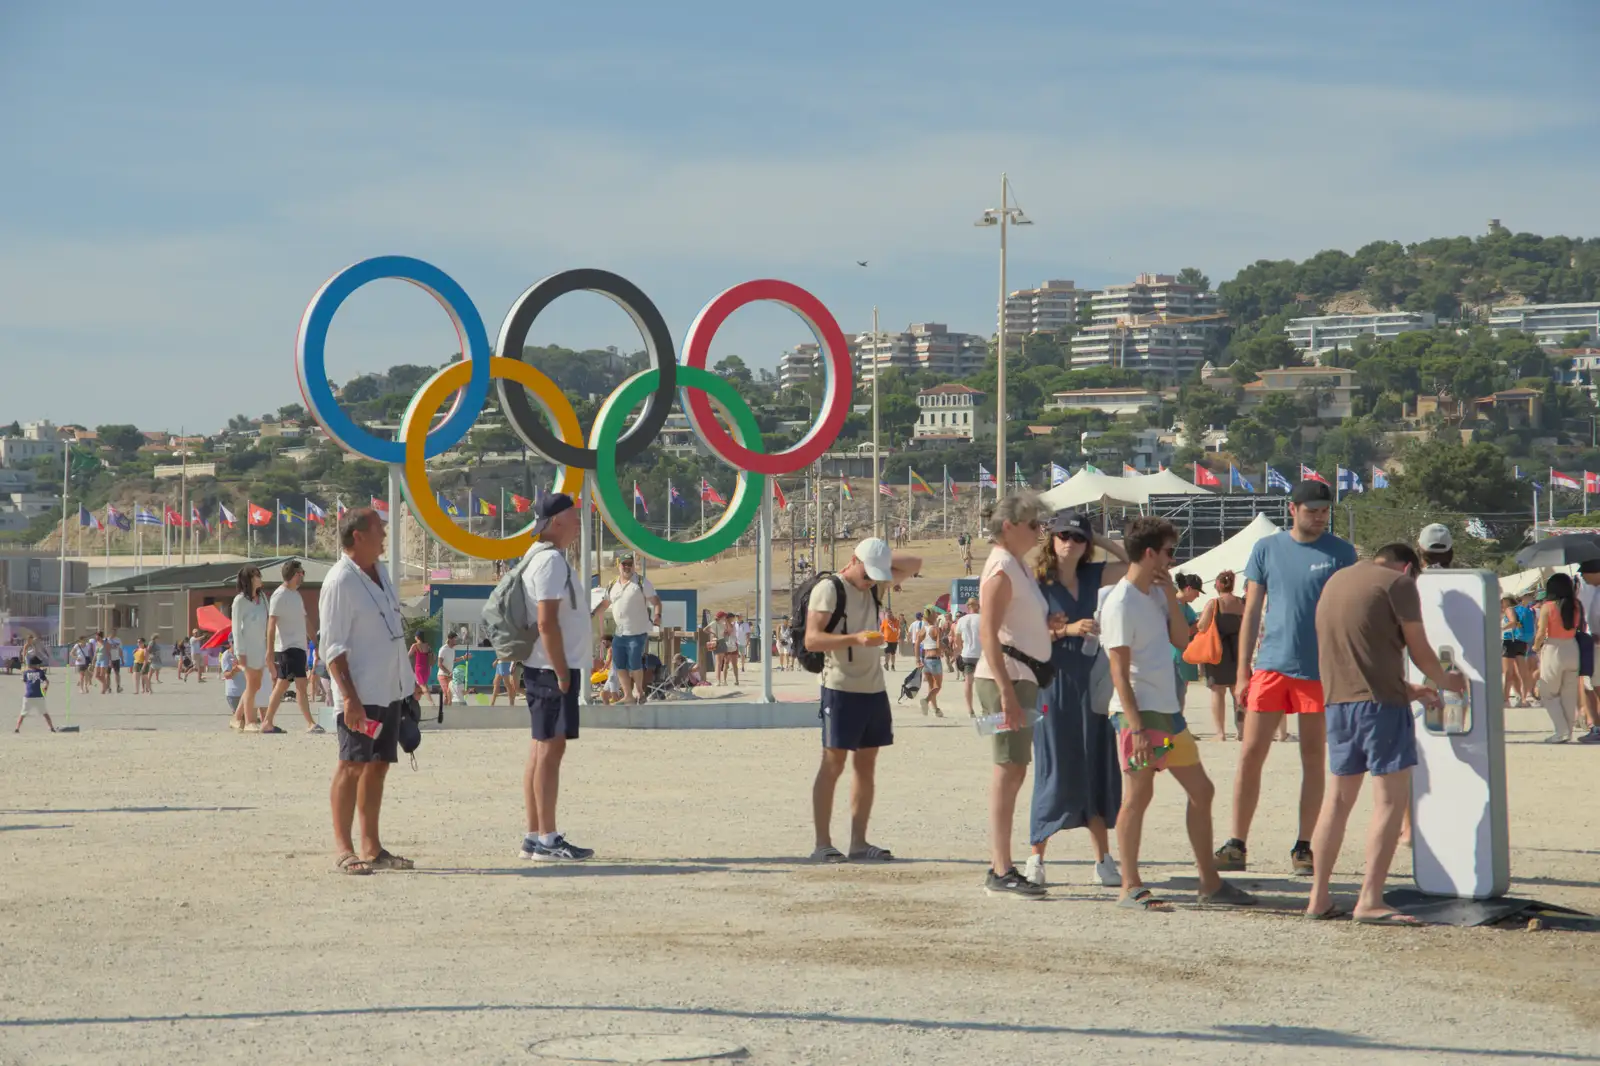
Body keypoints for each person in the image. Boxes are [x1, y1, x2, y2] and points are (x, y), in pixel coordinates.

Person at [1104, 516, 1257, 911]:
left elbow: (1179, 640)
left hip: (1168, 712)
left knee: (1201, 791)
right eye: (1170, 552)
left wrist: (1170, 596)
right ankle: (1130, 886)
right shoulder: (1119, 602)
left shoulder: (1155, 594)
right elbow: (1118, 671)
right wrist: (1135, 725)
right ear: (1151, 553)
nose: (1174, 560)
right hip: (1139, 713)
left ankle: (1209, 881)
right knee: (1138, 795)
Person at [1307, 543, 1465, 923]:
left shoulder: (1336, 582)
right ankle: (1370, 899)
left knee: (1337, 802)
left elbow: (1357, 653)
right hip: (1381, 708)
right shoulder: (1398, 584)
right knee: (1389, 802)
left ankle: (1318, 897)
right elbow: (1421, 649)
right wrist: (1447, 680)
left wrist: (1407, 688)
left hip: (1338, 703)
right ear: (1409, 567)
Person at [1222, 479, 1357, 876]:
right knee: (1250, 755)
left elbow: (1349, 612)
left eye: (1324, 511)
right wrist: (1242, 671)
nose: (1319, 517)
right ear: (1292, 508)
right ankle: (1236, 842)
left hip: (1319, 671)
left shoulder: (1342, 553)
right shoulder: (1267, 548)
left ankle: (1303, 846)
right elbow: (1251, 613)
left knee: (1314, 758)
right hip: (1270, 666)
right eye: (1311, 510)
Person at [1024, 509, 1129, 889]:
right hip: (1051, 683)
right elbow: (1024, 633)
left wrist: (1098, 538)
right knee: (1053, 767)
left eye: (1078, 537)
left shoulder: (1092, 575)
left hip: (1091, 684)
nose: (1071, 542)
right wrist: (1067, 628)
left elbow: (1132, 564)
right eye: (1064, 535)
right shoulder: (1037, 582)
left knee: (1096, 766)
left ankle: (1103, 859)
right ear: (1051, 540)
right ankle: (1036, 858)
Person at [808, 537, 920, 863]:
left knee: (866, 766)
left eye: (876, 575)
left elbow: (916, 564)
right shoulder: (830, 588)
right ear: (853, 561)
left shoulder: (873, 587)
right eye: (867, 573)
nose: (871, 580)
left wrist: (882, 558)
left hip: (873, 688)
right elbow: (812, 639)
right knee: (833, 764)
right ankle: (822, 844)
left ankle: (858, 842)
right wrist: (854, 638)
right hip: (839, 686)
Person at [320, 507, 419, 875]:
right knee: (351, 765)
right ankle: (344, 848)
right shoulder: (338, 581)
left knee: (378, 766)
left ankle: (372, 847)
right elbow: (332, 647)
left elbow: (392, 629)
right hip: (359, 693)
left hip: (389, 689)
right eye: (378, 529)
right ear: (358, 536)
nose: (384, 535)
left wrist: (408, 682)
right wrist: (349, 698)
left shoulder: (382, 572)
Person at [516, 493, 606, 862]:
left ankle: (535, 834)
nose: (577, 522)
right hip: (550, 668)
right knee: (550, 750)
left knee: (541, 749)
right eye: (572, 516)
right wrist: (561, 670)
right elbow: (546, 621)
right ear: (556, 522)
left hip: (545, 666)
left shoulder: (538, 557)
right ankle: (547, 839)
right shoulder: (550, 562)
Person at [973, 493, 1054, 899]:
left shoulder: (1017, 566)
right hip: (1006, 678)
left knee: (1015, 766)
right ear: (1010, 526)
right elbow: (988, 631)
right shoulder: (1002, 568)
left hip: (1021, 678)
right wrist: (1005, 691)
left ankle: (1002, 864)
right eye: (1033, 525)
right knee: (1007, 769)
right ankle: (1000, 866)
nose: (1039, 532)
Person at [263, 560, 320, 734]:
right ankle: (309, 723)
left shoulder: (296, 595)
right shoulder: (279, 595)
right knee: (295, 685)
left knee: (285, 686)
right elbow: (271, 624)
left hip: (299, 648)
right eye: (301, 573)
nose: (302, 577)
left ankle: (268, 721)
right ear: (295, 574)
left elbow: (305, 621)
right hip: (287, 648)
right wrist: (269, 651)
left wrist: (315, 643)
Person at [599, 552, 661, 706]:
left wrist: (658, 615)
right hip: (620, 633)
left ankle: (638, 690)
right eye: (624, 564)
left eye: (629, 564)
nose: (627, 567)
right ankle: (628, 695)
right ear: (618, 565)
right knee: (619, 664)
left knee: (634, 663)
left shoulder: (641, 582)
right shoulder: (612, 584)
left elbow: (656, 601)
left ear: (634, 566)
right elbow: (605, 604)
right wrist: (591, 613)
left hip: (637, 631)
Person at [1534, 573, 1584, 743]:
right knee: (1569, 693)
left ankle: (1561, 731)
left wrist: (1535, 647)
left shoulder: (1547, 607)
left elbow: (1541, 633)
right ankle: (1567, 732)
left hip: (1554, 648)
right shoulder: (1576, 605)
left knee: (1548, 692)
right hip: (1572, 647)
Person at [1198, 571, 1245, 741]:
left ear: (1217, 585)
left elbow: (1202, 626)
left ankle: (1220, 733)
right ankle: (1241, 731)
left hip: (1217, 652)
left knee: (1218, 692)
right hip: (1238, 651)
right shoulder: (1241, 603)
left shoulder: (1214, 604)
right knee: (1238, 694)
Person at [230, 566, 269, 732]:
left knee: (256, 685)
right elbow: (236, 629)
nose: (259, 578)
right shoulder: (239, 601)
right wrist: (240, 653)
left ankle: (236, 717)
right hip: (247, 649)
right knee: (252, 683)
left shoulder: (263, 598)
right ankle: (249, 721)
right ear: (249, 580)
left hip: (262, 647)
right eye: (256, 576)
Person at [1573, 562, 1600, 743]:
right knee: (1592, 686)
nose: (1582, 577)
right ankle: (1596, 728)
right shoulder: (1593, 590)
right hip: (1595, 643)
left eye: (1585, 573)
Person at [1172, 574, 1202, 706]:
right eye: (1197, 592)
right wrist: (1198, 625)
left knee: (1181, 694)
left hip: (1182, 655)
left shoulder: (1183, 605)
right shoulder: (1175, 605)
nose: (1198, 596)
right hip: (1175, 656)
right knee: (1177, 696)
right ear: (1189, 589)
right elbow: (1181, 632)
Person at [910, 608, 945, 716]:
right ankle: (926, 701)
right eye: (935, 614)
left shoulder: (923, 630)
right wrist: (946, 649)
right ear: (933, 617)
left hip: (925, 659)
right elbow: (939, 645)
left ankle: (936, 710)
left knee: (931, 685)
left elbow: (916, 644)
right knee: (938, 686)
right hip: (935, 659)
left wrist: (917, 659)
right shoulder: (936, 629)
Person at [952, 597, 983, 716]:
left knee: (968, 683)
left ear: (967, 606)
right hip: (981, 654)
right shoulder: (982, 618)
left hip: (967, 654)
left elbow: (957, 640)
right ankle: (985, 707)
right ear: (977, 606)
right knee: (983, 682)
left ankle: (970, 709)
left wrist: (961, 649)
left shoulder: (961, 620)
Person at [14, 656, 56, 733]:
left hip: (28, 696)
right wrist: (45, 688)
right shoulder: (40, 672)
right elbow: (47, 681)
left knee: (23, 714)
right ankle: (52, 728)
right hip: (38, 696)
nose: (38, 665)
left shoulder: (26, 673)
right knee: (45, 713)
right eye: (37, 664)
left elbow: (24, 680)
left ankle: (17, 728)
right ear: (35, 664)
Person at [220, 637, 246, 721]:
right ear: (230, 643)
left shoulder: (244, 654)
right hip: (234, 693)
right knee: (239, 718)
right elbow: (227, 675)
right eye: (235, 642)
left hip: (246, 691)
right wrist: (234, 671)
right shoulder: (226, 655)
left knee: (246, 718)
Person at [436, 633, 459, 718]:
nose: (456, 640)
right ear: (450, 639)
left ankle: (446, 712)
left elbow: (453, 660)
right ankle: (442, 713)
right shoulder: (443, 649)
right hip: (442, 675)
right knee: (447, 694)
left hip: (449, 676)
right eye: (455, 639)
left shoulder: (452, 649)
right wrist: (448, 672)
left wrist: (464, 657)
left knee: (451, 694)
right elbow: (439, 664)